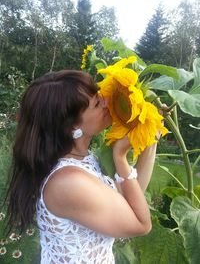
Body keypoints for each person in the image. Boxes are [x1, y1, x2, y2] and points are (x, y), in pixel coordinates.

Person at [5, 70, 157, 263]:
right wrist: (120, 157)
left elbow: (126, 202)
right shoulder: (69, 182)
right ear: (71, 126)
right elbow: (140, 224)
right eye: (96, 103)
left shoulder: (81, 161)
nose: (106, 102)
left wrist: (150, 131)